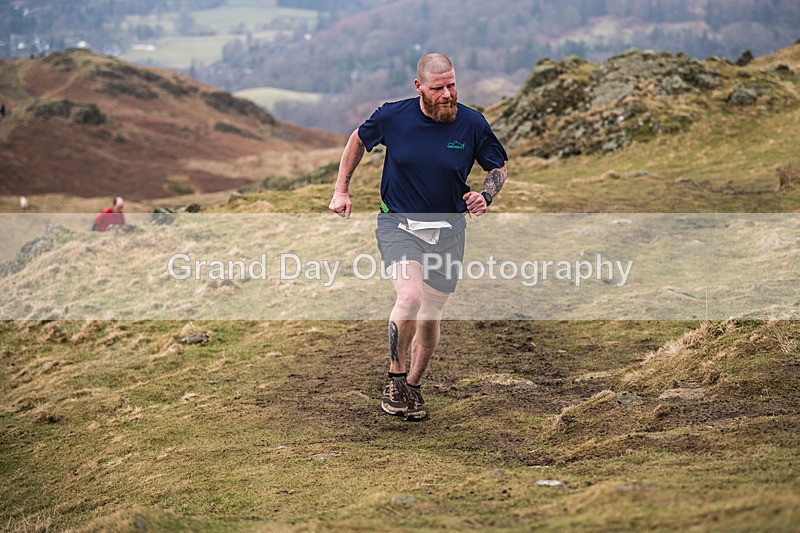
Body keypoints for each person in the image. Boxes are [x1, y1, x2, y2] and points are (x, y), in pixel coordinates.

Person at [328, 52, 508, 421]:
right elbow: (358, 140)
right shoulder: (393, 116)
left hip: (449, 230)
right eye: (438, 88)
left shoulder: (472, 123)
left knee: (431, 312)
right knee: (409, 297)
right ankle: (394, 378)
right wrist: (341, 189)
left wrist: (485, 194)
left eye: (452, 85)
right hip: (399, 225)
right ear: (419, 87)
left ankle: (413, 384)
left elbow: (498, 166)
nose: (447, 94)